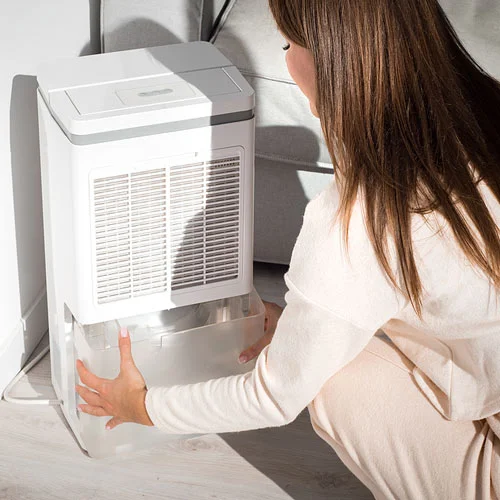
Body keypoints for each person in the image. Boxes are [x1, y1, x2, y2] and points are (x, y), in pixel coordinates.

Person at [75, 0, 500, 497]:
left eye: (288, 44)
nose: (287, 60)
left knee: (333, 381)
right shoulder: (486, 106)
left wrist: (143, 405)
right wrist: (305, 320)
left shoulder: (361, 218)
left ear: (333, 59)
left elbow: (273, 397)